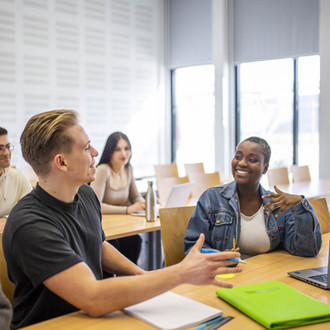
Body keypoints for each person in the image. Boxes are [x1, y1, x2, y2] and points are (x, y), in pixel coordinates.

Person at [2, 110, 242, 329]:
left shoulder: (84, 194)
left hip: (90, 318)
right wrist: (181, 273)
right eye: (86, 148)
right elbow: (93, 297)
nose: (96, 153)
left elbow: (97, 244)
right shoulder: (30, 223)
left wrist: (143, 275)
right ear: (61, 162)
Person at [184, 136, 322, 258]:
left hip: (265, 276)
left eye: (252, 159)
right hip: (225, 276)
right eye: (238, 156)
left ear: (265, 168)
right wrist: (219, 258)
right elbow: (194, 248)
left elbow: (306, 250)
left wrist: (300, 206)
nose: (242, 163)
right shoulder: (211, 199)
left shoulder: (278, 204)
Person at [90, 132, 144, 264]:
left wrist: (144, 203)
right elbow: (95, 205)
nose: (124, 154)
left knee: (135, 240)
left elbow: (135, 196)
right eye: (118, 149)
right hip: (104, 228)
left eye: (127, 149)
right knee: (114, 244)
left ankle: (131, 281)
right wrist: (127, 209)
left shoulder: (128, 169)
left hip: (121, 225)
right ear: (110, 152)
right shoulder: (103, 170)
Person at [0, 127, 32, 219]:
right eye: (0, 148)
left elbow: (30, 209)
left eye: (7, 147)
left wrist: (7, 218)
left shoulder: (18, 177)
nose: (6, 153)